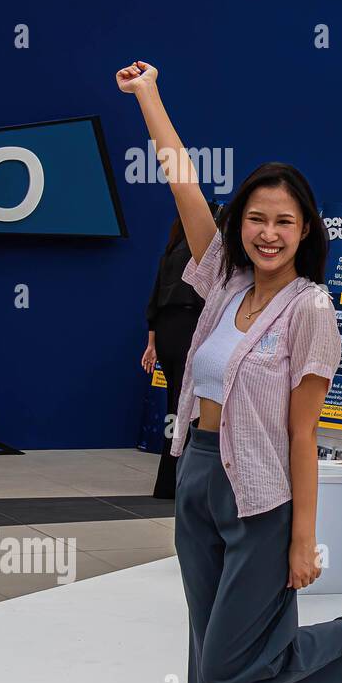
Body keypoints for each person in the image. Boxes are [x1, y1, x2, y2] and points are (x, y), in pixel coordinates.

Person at [116, 59, 342, 683]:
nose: (269, 233)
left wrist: (303, 540)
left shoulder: (311, 309)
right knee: (207, 654)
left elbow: (303, 433)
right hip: (198, 471)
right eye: (257, 218)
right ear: (240, 224)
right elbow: (181, 178)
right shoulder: (224, 278)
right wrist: (149, 94)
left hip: (262, 497)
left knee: (235, 663)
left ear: (305, 229)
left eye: (284, 221)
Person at [143, 211, 212, 499]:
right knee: (187, 409)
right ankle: (180, 480)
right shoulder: (200, 256)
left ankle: (166, 481)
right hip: (188, 330)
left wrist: (151, 344)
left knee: (174, 406)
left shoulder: (168, 253)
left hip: (166, 335)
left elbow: (154, 301)